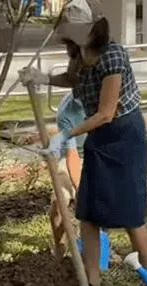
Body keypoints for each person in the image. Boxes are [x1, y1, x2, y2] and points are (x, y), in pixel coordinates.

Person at [18, 0, 147, 286]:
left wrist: (65, 134)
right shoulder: (79, 53)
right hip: (98, 134)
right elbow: (73, 80)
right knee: (88, 213)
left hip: (123, 134)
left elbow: (107, 113)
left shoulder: (113, 56)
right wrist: (42, 78)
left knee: (131, 213)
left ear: (94, 29)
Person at [49, 92, 86, 260]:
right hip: (69, 155)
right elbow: (72, 156)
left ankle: (101, 246)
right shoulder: (67, 112)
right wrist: (79, 188)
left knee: (99, 203)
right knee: (59, 202)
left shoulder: (103, 98)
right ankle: (60, 245)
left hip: (95, 153)